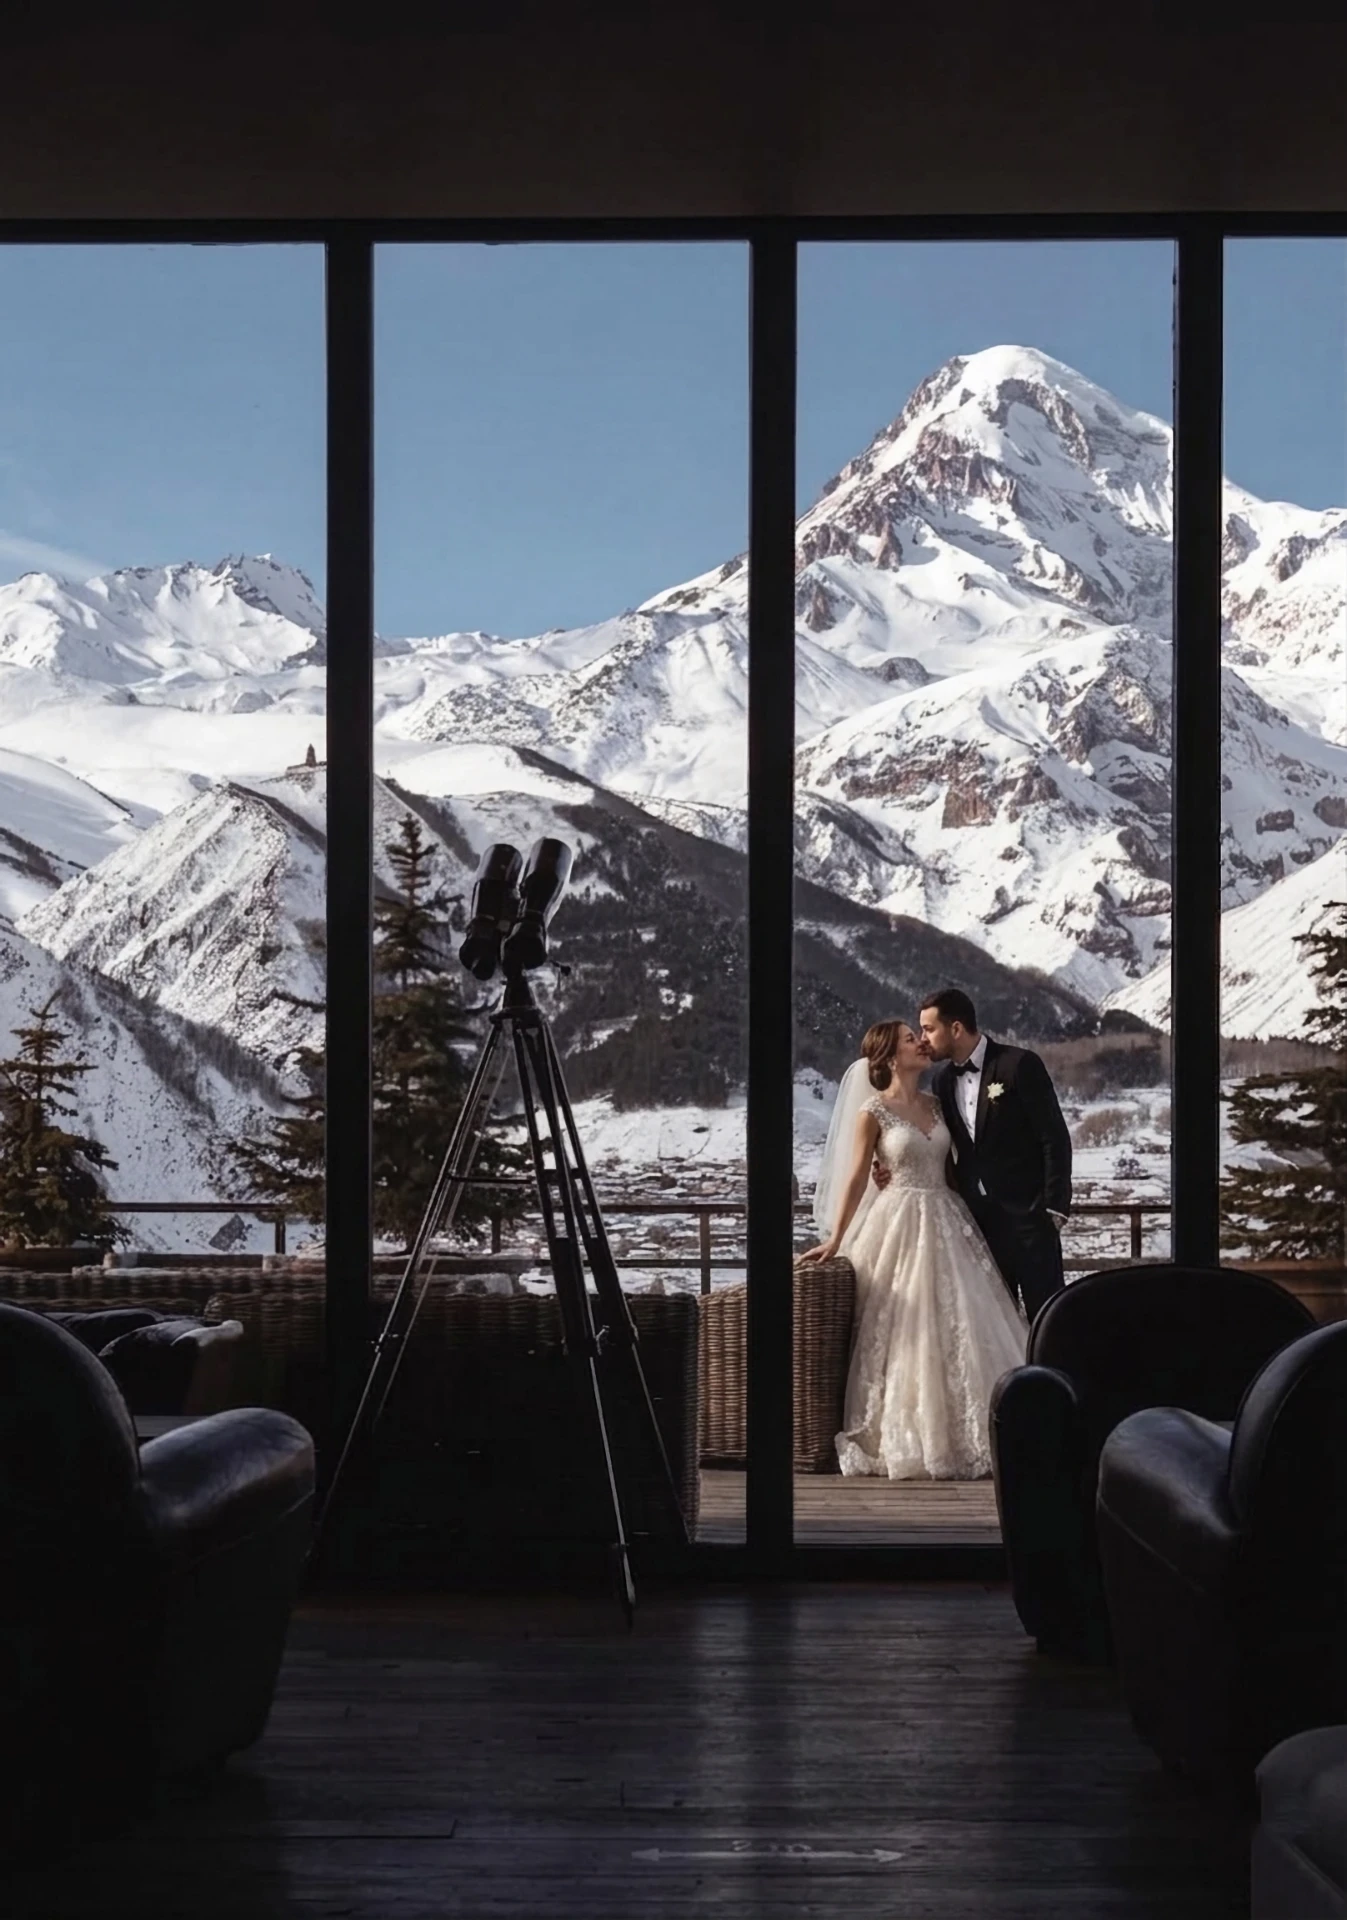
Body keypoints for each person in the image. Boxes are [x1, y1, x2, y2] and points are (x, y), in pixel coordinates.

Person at [801, 1018, 1028, 1480]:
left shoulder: (937, 1103)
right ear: (887, 1057)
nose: (922, 1043)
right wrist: (836, 1239)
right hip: (897, 1222)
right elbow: (855, 1177)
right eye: (911, 1039)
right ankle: (916, 1435)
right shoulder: (872, 1112)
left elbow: (956, 1167)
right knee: (906, 1330)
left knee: (962, 1321)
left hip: (947, 1218)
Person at [884, 987, 1073, 1324]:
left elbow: (1054, 1138)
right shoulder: (942, 1081)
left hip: (1032, 1222)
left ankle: (1054, 1378)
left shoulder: (1019, 1064)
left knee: (1049, 1321)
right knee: (993, 1326)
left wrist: (1053, 1209)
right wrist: (890, 1169)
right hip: (981, 1227)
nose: (923, 1039)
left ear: (955, 1028)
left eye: (929, 1029)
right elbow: (940, 1147)